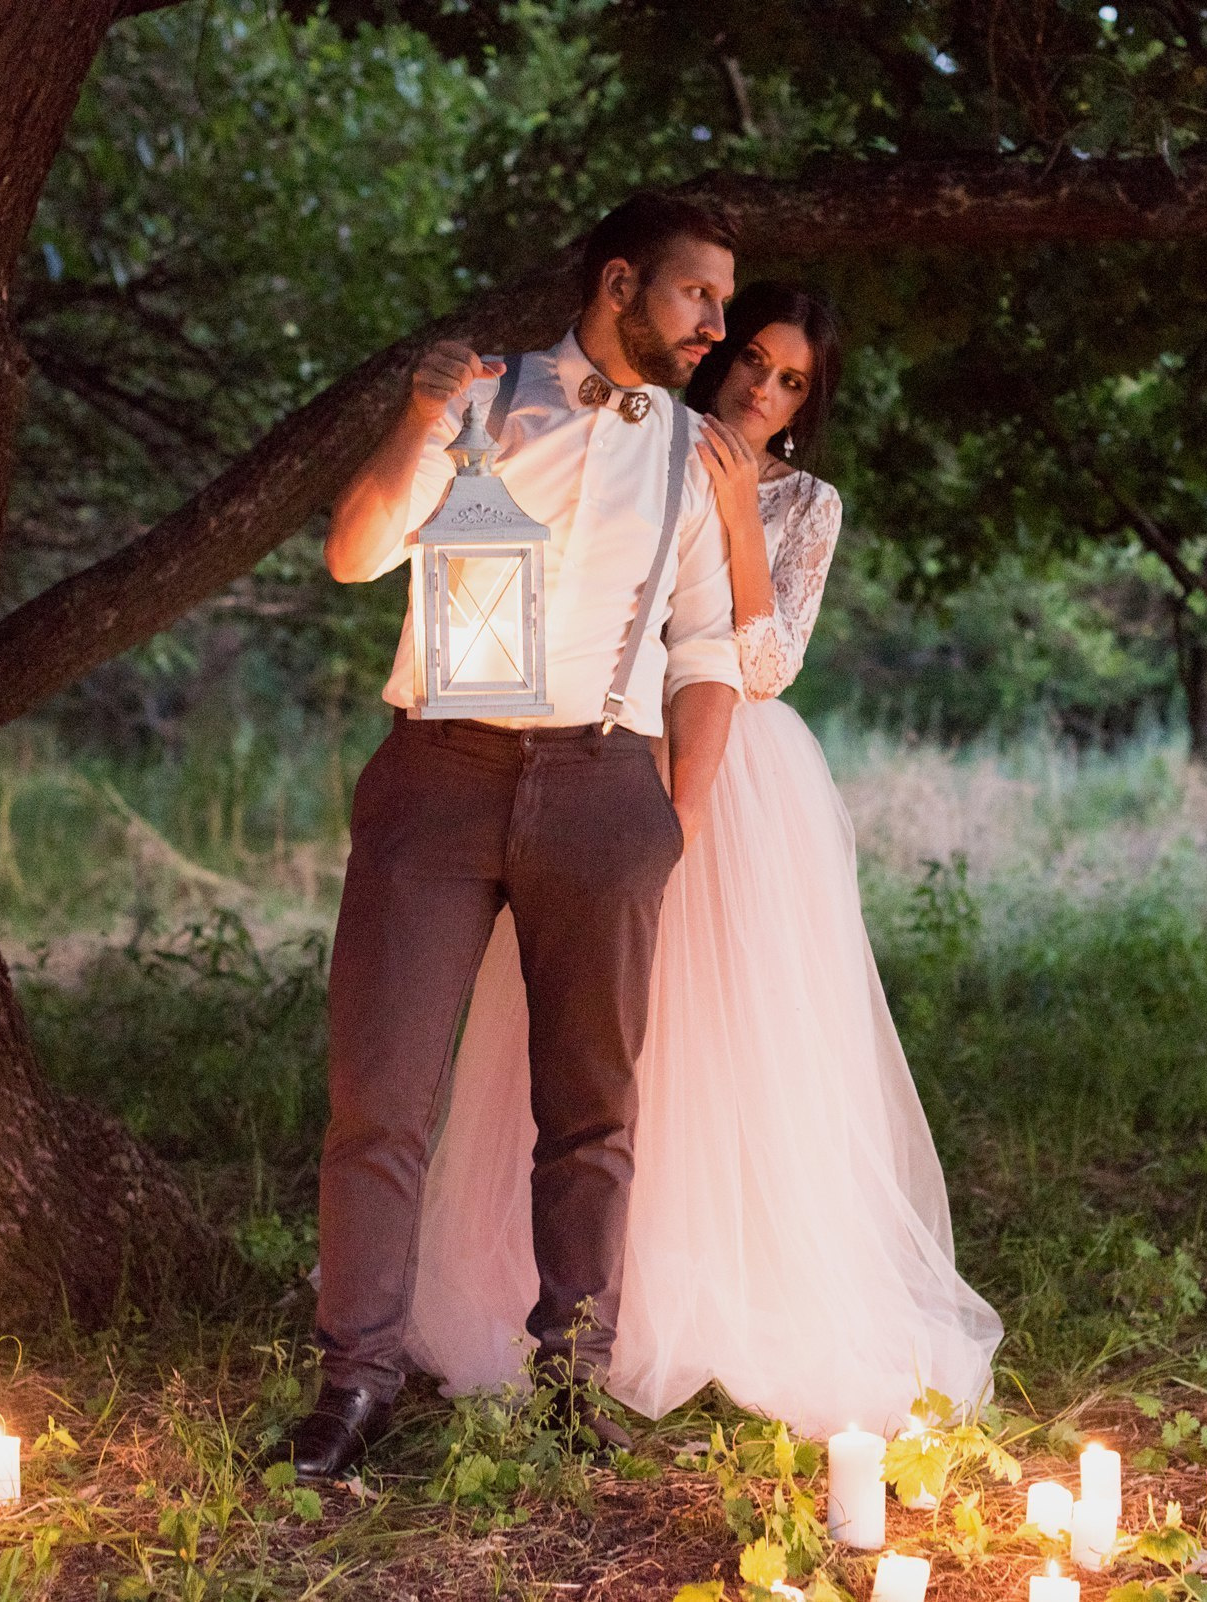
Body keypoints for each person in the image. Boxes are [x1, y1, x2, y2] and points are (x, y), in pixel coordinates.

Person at [406, 283, 1003, 1439]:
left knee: (729, 1033)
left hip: (742, 779)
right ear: (718, 350)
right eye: (753, 363)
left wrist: (738, 514)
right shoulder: (642, 440)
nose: (762, 391)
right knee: (588, 1030)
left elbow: (770, 661)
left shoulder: (807, 502)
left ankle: (718, 1290)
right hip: (608, 742)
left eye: (791, 383)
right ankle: (564, 1295)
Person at [287, 193, 746, 1481]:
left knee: (593, 1112)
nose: (718, 324)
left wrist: (676, 818)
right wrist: (422, 418)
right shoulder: (483, 398)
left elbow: (706, 648)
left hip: (604, 793)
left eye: (722, 301)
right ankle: (355, 1383)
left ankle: (570, 1383)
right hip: (436, 774)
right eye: (697, 295)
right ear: (618, 283)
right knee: (377, 1095)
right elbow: (354, 553)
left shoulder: (695, 455)